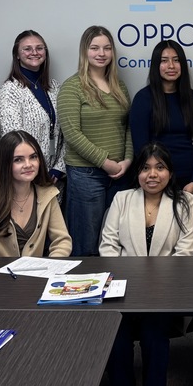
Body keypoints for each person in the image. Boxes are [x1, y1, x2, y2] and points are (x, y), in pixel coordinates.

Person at [100, 143, 193, 386]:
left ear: (170, 172)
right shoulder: (122, 199)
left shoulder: (185, 203)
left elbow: (185, 254)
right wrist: (132, 282)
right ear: (138, 172)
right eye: (145, 168)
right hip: (124, 293)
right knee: (116, 342)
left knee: (156, 341)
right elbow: (107, 247)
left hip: (162, 294)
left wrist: (154, 283)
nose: (152, 174)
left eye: (159, 167)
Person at [58, 26, 133, 256]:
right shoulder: (72, 87)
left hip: (121, 175)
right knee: (85, 244)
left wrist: (128, 159)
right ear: (85, 52)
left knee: (119, 240)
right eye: (95, 48)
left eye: (107, 48)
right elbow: (72, 134)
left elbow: (129, 125)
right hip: (86, 176)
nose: (101, 53)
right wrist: (105, 162)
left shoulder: (119, 86)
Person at [129, 40, 193, 246]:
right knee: (158, 247)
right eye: (164, 61)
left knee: (191, 247)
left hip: (189, 185)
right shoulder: (143, 99)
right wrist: (156, 185)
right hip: (154, 186)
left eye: (176, 60)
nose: (171, 66)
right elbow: (141, 149)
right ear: (156, 65)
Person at [0, 130, 71, 257]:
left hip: (36, 274)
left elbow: (62, 241)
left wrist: (51, 265)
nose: (28, 165)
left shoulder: (47, 194)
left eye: (33, 157)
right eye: (18, 160)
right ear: (5, 164)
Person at [0, 30, 66, 183]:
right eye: (27, 49)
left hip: (55, 178)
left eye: (39, 48)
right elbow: (12, 140)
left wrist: (59, 168)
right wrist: (36, 170)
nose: (34, 52)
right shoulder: (10, 91)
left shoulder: (55, 87)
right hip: (27, 177)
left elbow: (67, 132)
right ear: (17, 54)